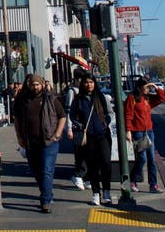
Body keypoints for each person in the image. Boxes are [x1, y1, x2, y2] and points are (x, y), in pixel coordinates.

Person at [13, 73, 66, 213]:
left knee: (47, 170)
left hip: (49, 141)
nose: (35, 87)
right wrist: (19, 137)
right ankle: (47, 192)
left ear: (42, 84)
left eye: (38, 84)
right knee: (36, 170)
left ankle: (45, 201)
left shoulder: (51, 99)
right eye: (33, 85)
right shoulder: (23, 100)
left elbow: (62, 117)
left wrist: (58, 134)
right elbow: (17, 119)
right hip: (30, 141)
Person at [68, 73, 112, 206]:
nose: (89, 85)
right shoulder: (79, 99)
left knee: (106, 163)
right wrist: (80, 125)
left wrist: (106, 122)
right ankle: (96, 193)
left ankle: (106, 191)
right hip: (88, 137)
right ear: (83, 84)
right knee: (92, 165)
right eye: (87, 82)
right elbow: (72, 115)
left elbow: (109, 112)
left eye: (91, 82)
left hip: (102, 135)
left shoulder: (101, 97)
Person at [125, 77, 165, 193]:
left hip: (149, 131)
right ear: (140, 87)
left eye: (149, 87)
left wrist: (156, 87)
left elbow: (161, 98)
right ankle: (132, 180)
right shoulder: (132, 98)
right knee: (142, 158)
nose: (148, 89)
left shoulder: (147, 98)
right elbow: (128, 115)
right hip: (138, 132)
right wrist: (128, 130)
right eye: (147, 87)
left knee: (152, 159)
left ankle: (153, 185)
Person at [64, 69, 89, 190]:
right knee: (80, 152)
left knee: (88, 152)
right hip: (76, 127)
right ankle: (78, 175)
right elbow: (68, 111)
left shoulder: (85, 92)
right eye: (82, 80)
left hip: (87, 126)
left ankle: (85, 177)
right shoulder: (72, 92)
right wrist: (69, 128)